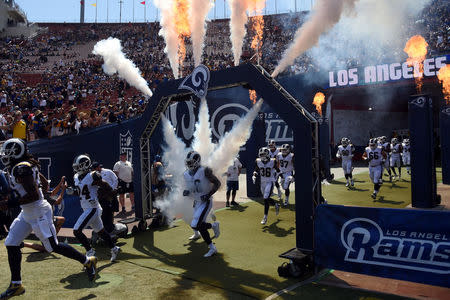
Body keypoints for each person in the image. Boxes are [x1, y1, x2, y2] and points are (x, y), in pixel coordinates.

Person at [0, 139, 98, 299]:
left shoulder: (21, 169)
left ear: (15, 152)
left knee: (53, 247)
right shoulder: (23, 166)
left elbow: (32, 195)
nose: (4, 155)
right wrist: (39, 191)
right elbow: (43, 184)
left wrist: (9, 203)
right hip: (27, 211)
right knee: (11, 242)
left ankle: (88, 261)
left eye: (7, 151)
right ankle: (16, 284)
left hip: (37, 211)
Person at [71, 154, 120, 262]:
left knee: (76, 231)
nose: (77, 168)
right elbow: (82, 192)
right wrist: (73, 192)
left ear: (85, 165)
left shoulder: (93, 175)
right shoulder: (76, 177)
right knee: (101, 232)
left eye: (79, 166)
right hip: (87, 207)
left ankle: (90, 251)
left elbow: (106, 186)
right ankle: (114, 248)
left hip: (92, 208)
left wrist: (106, 193)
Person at [183, 151, 221, 257]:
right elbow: (193, 188)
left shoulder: (205, 170)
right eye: (188, 162)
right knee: (196, 225)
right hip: (196, 202)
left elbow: (217, 183)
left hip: (205, 202)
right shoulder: (186, 174)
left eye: (192, 162)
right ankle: (213, 226)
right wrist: (187, 192)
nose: (190, 164)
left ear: (197, 161)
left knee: (197, 224)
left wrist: (208, 195)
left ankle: (212, 247)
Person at [22, 175, 67, 252]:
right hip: (42, 223)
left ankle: (53, 239)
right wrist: (63, 190)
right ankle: (23, 244)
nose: (48, 185)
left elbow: (53, 192)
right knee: (47, 249)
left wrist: (61, 183)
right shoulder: (43, 196)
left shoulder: (42, 193)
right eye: (47, 184)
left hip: (42, 220)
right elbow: (58, 201)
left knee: (61, 219)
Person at [252, 147, 281, 225]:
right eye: (261, 154)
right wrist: (254, 175)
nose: (262, 156)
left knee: (265, 198)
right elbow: (256, 169)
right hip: (263, 182)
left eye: (264, 154)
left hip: (270, 181)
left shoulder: (272, 161)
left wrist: (280, 176)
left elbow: (278, 170)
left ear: (267, 154)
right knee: (266, 199)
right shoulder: (258, 161)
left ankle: (265, 217)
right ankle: (275, 204)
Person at [91, 162, 118, 236]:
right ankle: (104, 227)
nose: (95, 169)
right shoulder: (93, 175)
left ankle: (111, 226)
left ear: (99, 167)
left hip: (110, 194)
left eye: (96, 168)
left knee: (111, 210)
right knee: (102, 212)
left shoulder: (108, 171)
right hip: (101, 197)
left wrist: (111, 190)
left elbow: (115, 179)